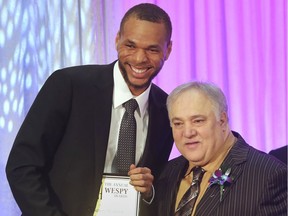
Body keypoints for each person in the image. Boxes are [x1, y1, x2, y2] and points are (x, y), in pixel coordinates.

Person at [6, 3, 174, 216]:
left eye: (152, 49)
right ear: (117, 40)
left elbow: (157, 186)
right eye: (130, 46)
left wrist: (150, 192)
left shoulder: (167, 111)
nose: (140, 58)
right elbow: (22, 166)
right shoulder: (68, 86)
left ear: (168, 50)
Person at [154, 81, 287, 216]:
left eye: (198, 121)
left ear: (222, 120)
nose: (188, 133)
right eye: (178, 123)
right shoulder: (166, 173)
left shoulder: (268, 175)